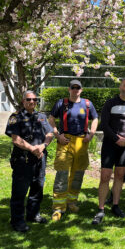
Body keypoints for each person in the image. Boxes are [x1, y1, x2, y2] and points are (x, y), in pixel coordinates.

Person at [49, 80, 99, 221]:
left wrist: (91, 134)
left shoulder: (87, 104)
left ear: (81, 90)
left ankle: (71, 201)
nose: (75, 90)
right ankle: (58, 208)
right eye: (73, 88)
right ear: (69, 89)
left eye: (78, 88)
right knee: (62, 175)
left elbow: (95, 119)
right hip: (65, 141)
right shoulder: (61, 103)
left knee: (78, 175)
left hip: (81, 142)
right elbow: (51, 118)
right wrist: (57, 135)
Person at [92, 76, 125, 225]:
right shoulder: (110, 103)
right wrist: (116, 139)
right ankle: (101, 209)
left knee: (119, 176)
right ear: (120, 87)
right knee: (105, 176)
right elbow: (104, 125)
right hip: (110, 145)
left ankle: (116, 206)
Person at [5, 91, 54, 232]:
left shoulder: (41, 116)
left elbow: (49, 133)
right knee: (19, 191)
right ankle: (17, 221)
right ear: (23, 101)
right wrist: (33, 148)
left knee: (37, 187)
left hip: (40, 158)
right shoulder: (16, 117)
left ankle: (33, 214)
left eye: (34, 99)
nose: (32, 102)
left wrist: (43, 145)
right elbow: (15, 139)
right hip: (23, 159)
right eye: (28, 99)